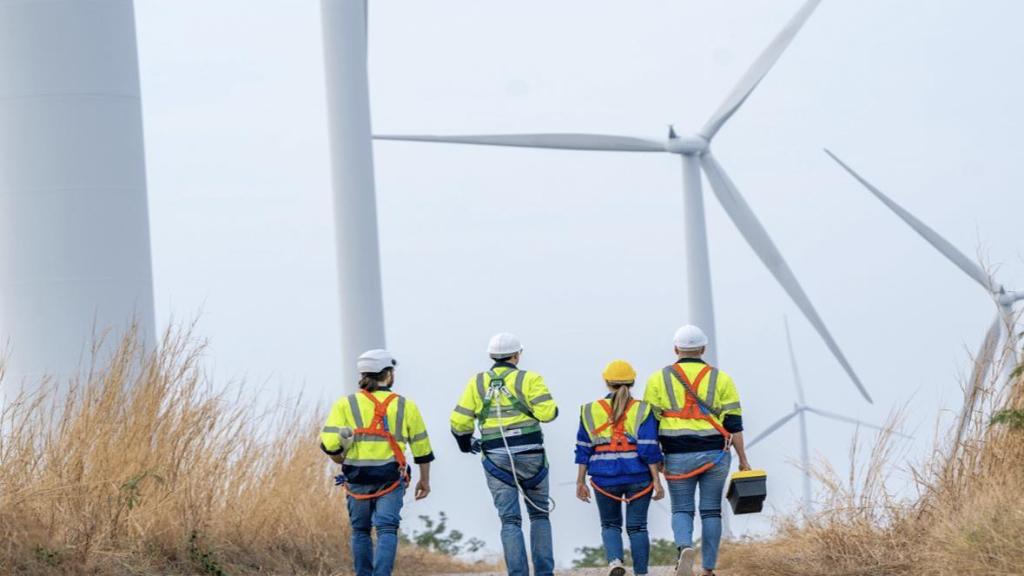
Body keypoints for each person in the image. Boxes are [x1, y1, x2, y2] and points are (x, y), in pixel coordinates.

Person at [642, 325, 750, 576]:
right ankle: (709, 567)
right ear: (703, 349)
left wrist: (655, 457)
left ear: (675, 349)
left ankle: (685, 549)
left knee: (682, 508)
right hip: (715, 454)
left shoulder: (658, 379)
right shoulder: (721, 378)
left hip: (676, 453)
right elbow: (734, 425)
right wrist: (743, 459)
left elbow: (648, 423)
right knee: (711, 509)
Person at [450, 333, 559, 576]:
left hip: (496, 458)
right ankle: (544, 573)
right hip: (532, 455)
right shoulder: (530, 379)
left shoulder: (476, 383)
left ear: (491, 355)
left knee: (510, 521)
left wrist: (466, 444)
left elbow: (459, 422)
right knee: (540, 515)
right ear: (516, 355)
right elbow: (548, 413)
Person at [321, 349, 434, 576]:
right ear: (388, 375)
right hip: (390, 478)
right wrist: (424, 481)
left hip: (356, 477)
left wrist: (339, 455)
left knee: (360, 531)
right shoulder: (405, 406)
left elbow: (329, 443)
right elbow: (422, 448)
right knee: (387, 529)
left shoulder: (346, 404)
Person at [575, 360, 666, 576]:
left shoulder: (589, 410)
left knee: (610, 525)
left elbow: (583, 449)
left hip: (603, 478)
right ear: (633, 381)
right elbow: (648, 449)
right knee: (638, 527)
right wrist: (657, 481)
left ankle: (615, 561)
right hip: (639, 477)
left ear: (607, 382)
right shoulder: (644, 409)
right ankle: (641, 572)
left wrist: (580, 481)